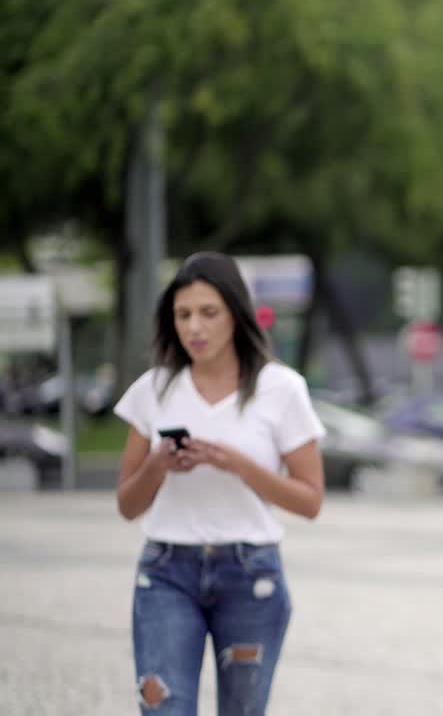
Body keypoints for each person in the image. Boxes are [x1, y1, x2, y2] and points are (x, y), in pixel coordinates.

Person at [114, 252, 325, 715]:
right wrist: (157, 465)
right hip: (167, 571)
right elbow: (127, 505)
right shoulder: (154, 389)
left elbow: (311, 500)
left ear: (236, 313)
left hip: (251, 575)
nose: (195, 327)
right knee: (163, 708)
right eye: (183, 315)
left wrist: (237, 464)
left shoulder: (280, 388)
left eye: (209, 313)